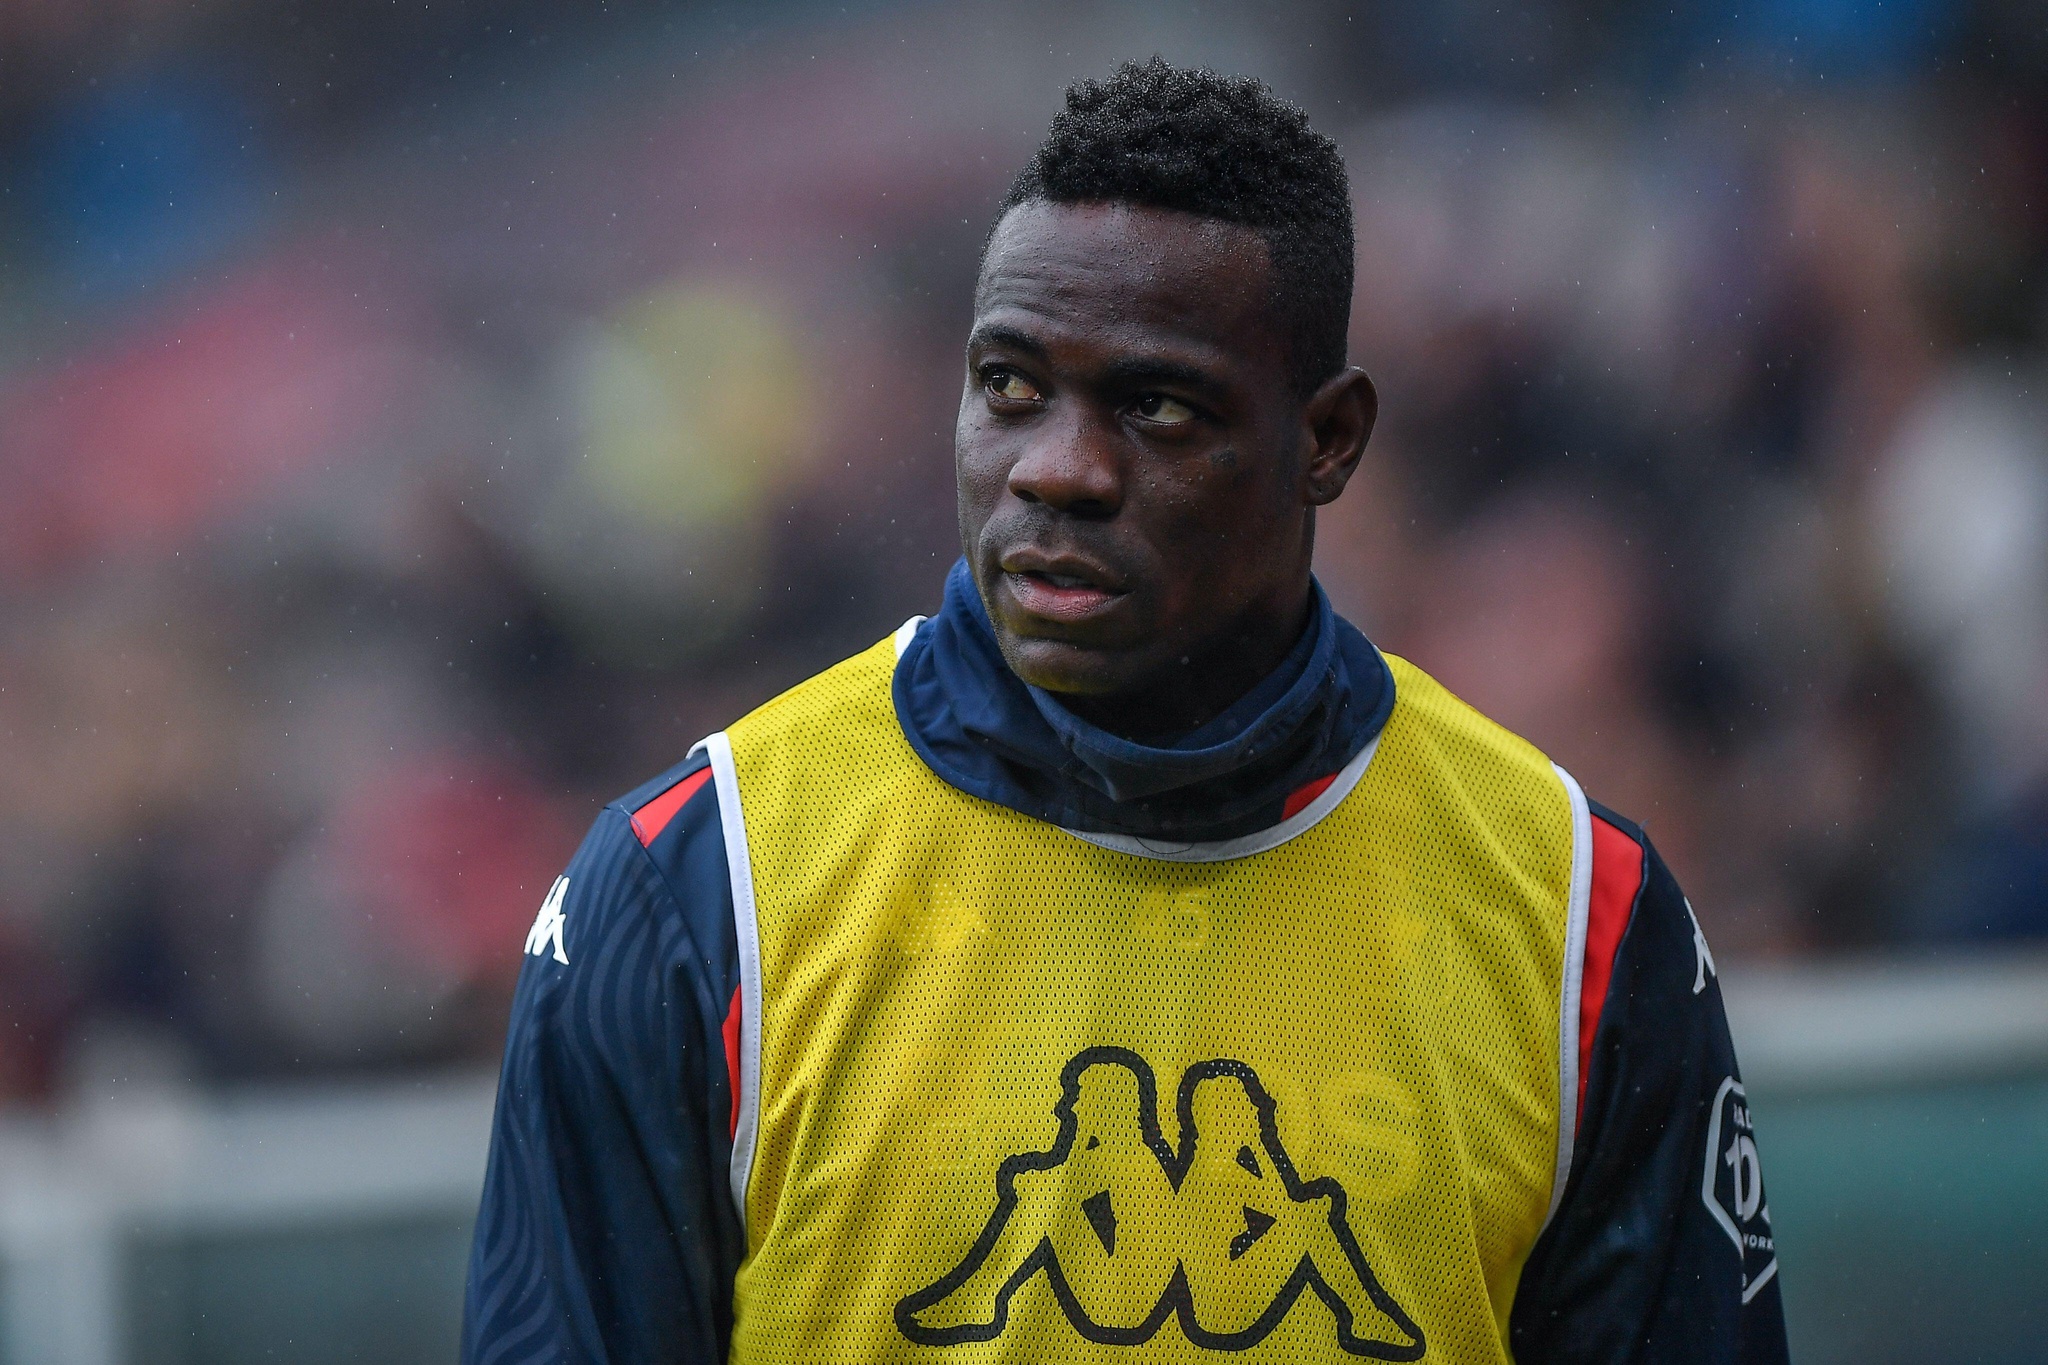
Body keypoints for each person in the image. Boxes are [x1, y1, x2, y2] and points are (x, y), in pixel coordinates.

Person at [463, 58, 1788, 1364]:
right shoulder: (693, 892)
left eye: (1155, 405)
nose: (1058, 470)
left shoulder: (1576, 916)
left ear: (1328, 438)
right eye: (1011, 387)